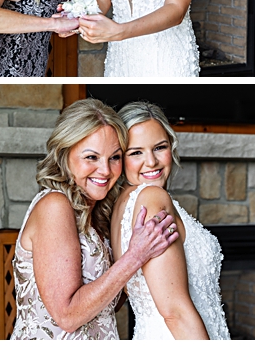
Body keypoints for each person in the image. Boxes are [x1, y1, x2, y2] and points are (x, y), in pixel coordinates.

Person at [11, 98, 178, 339]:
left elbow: (106, 304)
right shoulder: (54, 206)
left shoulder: (97, 214)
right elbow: (67, 316)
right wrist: (135, 256)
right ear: (64, 153)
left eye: (114, 157)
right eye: (91, 157)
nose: (106, 170)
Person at [111, 101, 230, 339]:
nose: (152, 162)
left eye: (159, 147)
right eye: (136, 152)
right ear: (120, 158)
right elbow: (175, 312)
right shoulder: (153, 198)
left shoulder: (123, 203)